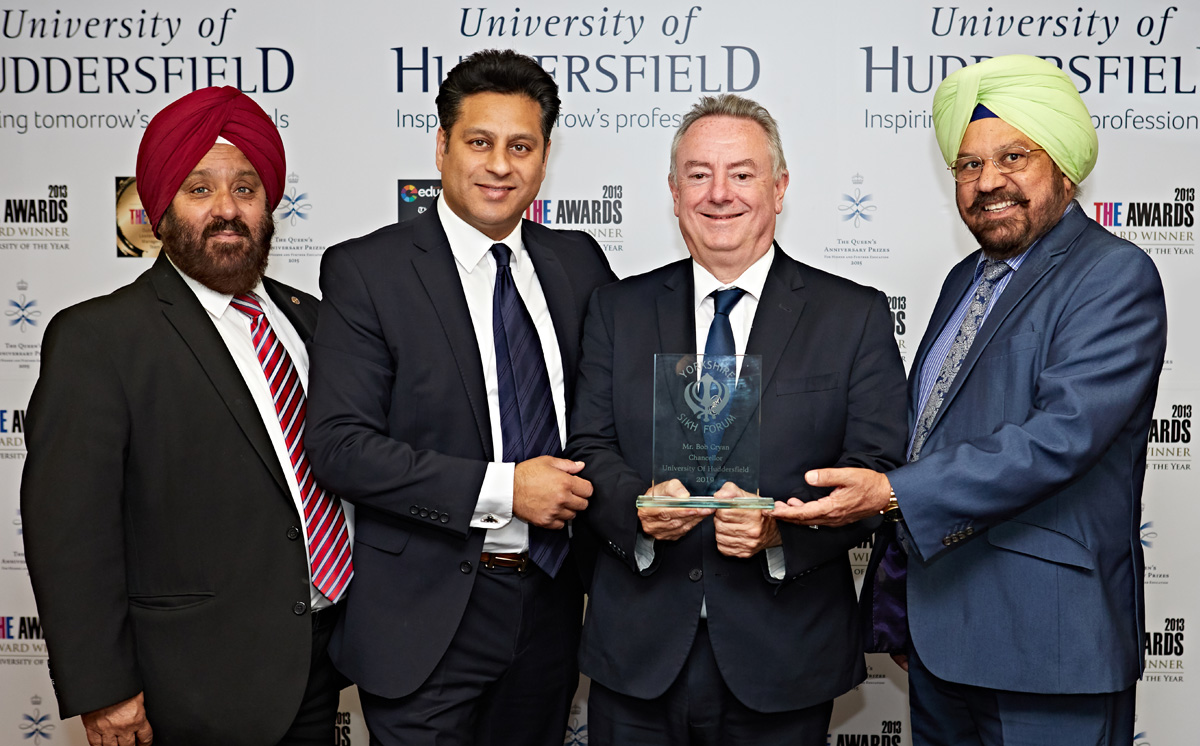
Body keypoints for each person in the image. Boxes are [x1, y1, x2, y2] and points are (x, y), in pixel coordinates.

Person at [776, 55, 1168, 745]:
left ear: (1067, 167)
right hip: (938, 639)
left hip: (1047, 651)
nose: (988, 182)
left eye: (1014, 156)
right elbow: (928, 432)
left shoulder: (1114, 275)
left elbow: (1059, 439)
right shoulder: (966, 278)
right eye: (968, 165)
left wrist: (892, 492)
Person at [565, 93, 908, 745]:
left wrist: (780, 531)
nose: (719, 194)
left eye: (742, 174)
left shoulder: (852, 316)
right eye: (698, 174)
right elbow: (590, 446)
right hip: (637, 655)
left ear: (779, 189)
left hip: (784, 654)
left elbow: (878, 473)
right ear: (673, 192)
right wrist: (635, 509)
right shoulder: (616, 309)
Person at [21, 86, 351, 745]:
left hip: (322, 666)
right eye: (200, 189)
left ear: (269, 204)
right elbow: (68, 533)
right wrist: (105, 689)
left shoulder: (314, 320)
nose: (226, 210)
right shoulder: (100, 338)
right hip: (191, 687)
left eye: (246, 188)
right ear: (160, 206)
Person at [305, 49, 616, 746]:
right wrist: (506, 489)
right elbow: (341, 447)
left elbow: (613, 418)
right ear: (442, 146)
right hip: (425, 619)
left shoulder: (579, 263)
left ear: (543, 157)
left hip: (553, 604)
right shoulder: (368, 271)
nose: (499, 165)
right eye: (479, 142)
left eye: (521, 146)